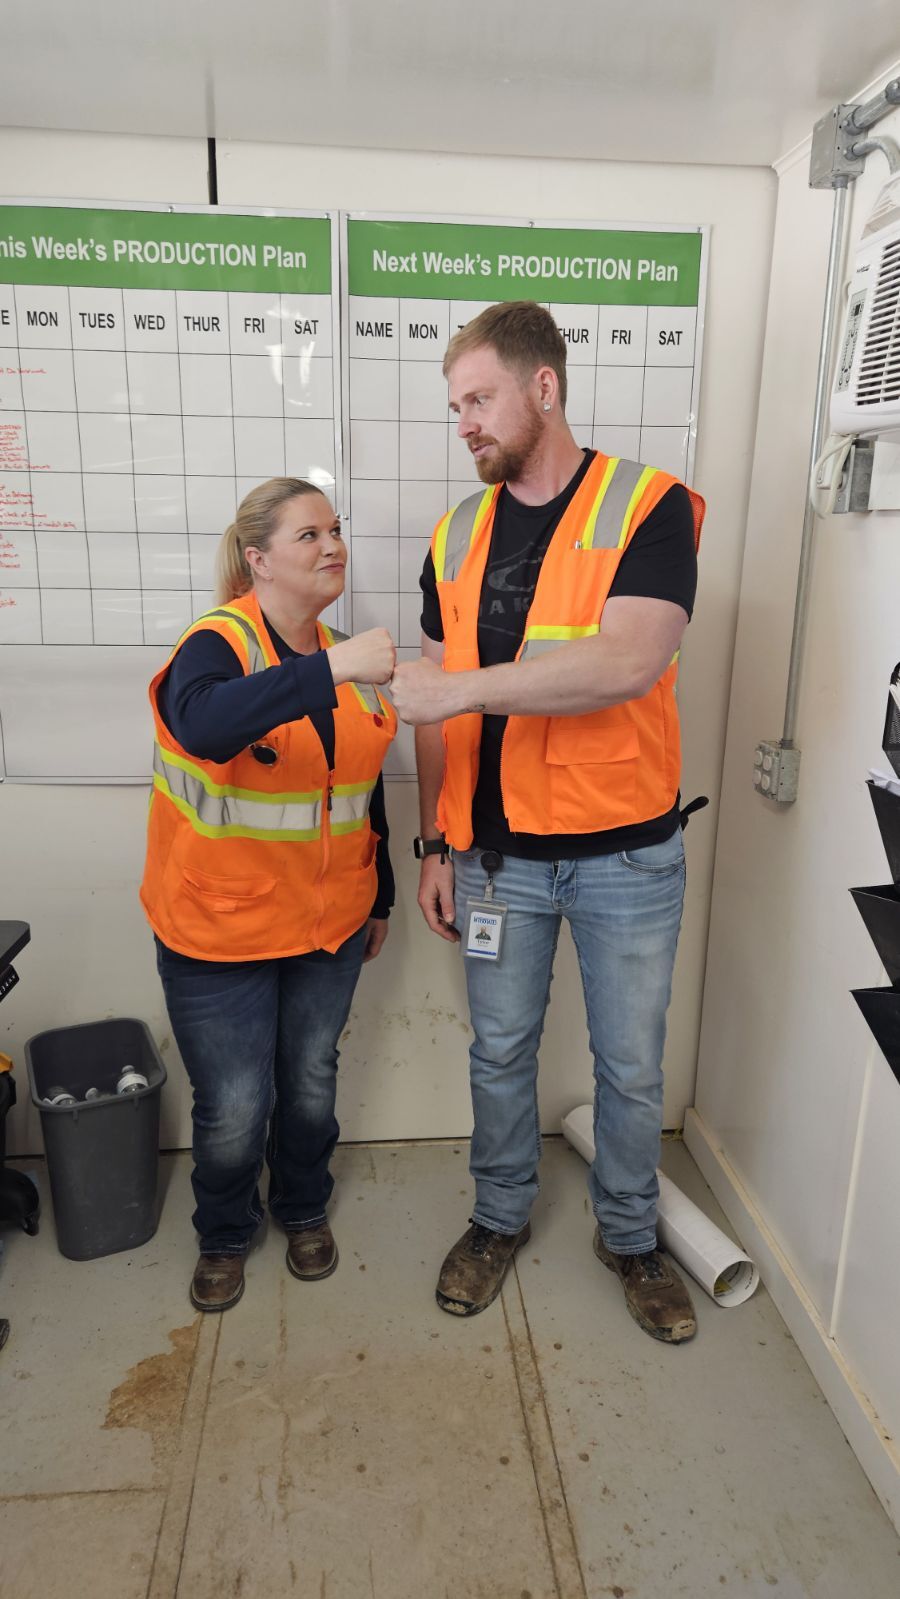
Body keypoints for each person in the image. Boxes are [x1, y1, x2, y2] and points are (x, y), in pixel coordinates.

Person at [391, 302, 705, 1343]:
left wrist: (463, 689)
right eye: (455, 407)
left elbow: (628, 661)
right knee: (498, 1051)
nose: (465, 423)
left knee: (631, 1064)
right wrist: (436, 840)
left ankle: (630, 1237)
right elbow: (432, 710)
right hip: (494, 861)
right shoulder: (457, 531)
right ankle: (497, 1220)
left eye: (478, 399)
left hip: (625, 856)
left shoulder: (648, 507)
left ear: (544, 388)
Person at [140, 477, 397, 1312]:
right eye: (308, 535)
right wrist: (331, 667)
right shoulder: (215, 645)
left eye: (335, 530)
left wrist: (381, 896)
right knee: (232, 1103)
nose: (333, 547)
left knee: (311, 1079)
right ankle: (223, 1230)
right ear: (258, 558)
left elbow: (365, 791)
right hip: (218, 932)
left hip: (328, 925)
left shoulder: (345, 657)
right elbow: (207, 724)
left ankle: (302, 1205)